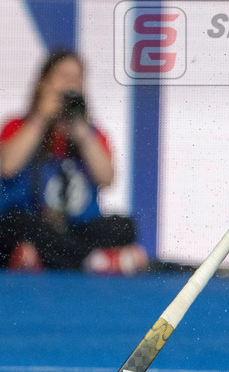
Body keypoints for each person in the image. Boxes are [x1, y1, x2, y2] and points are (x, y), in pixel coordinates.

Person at [0, 50, 148, 273]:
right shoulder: (19, 126)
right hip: (35, 224)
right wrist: (41, 118)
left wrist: (81, 131)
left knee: (124, 226)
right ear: (43, 84)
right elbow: (7, 167)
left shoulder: (90, 133)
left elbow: (107, 178)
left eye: (77, 79)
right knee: (12, 223)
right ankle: (95, 260)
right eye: (63, 77)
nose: (70, 84)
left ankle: (44, 257)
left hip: (74, 228)